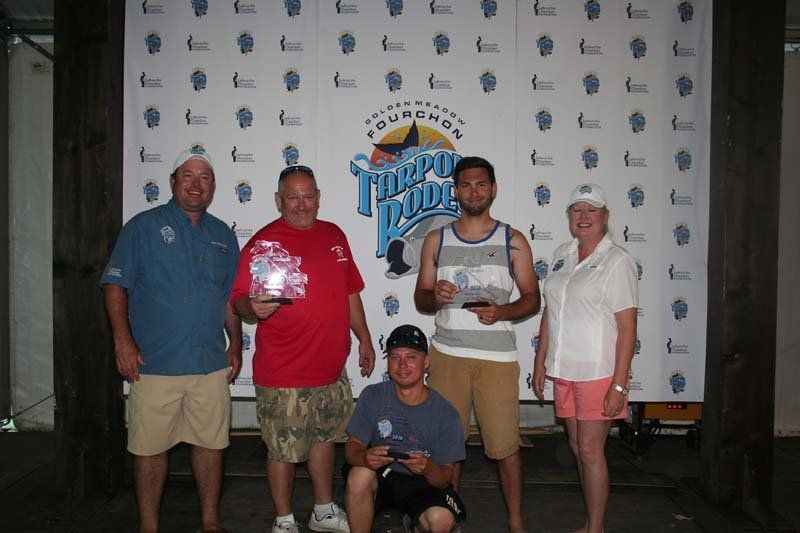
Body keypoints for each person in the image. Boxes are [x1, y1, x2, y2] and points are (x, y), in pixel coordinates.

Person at [101, 149, 241, 533]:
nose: (196, 184)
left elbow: (229, 296)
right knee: (149, 449)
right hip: (154, 362)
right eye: (188, 175)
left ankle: (210, 521)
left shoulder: (222, 235)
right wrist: (122, 342)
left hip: (209, 362)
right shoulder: (142, 227)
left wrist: (236, 344)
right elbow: (115, 285)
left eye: (205, 177)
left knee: (211, 445)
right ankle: (149, 526)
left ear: (213, 187)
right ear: (173, 181)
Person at [230, 165, 376, 533]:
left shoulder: (335, 235)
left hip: (331, 369)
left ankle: (323, 510)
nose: (301, 204)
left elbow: (350, 292)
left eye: (308, 196)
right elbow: (237, 301)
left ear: (318, 197)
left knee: (325, 439)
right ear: (279, 200)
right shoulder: (262, 244)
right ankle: (283, 520)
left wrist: (365, 337)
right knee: (283, 449)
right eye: (292, 197)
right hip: (284, 374)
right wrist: (253, 308)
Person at [414, 156, 540, 533]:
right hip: (447, 355)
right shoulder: (437, 238)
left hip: (497, 359)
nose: (473, 191)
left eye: (481, 184)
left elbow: (532, 298)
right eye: (466, 185)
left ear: (493, 188)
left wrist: (501, 313)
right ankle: (445, 520)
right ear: (456, 191)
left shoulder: (512, 239)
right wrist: (434, 296)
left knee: (505, 447)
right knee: (446, 448)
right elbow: (420, 298)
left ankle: (516, 524)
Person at [533, 183, 638, 533]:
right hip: (564, 370)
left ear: (605, 216)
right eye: (577, 209)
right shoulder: (563, 253)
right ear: (568, 217)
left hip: (598, 373)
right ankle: (591, 522)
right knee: (578, 447)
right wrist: (540, 361)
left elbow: (627, 328)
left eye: (591, 210)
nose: (584, 216)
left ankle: (596, 528)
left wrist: (619, 385)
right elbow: (551, 311)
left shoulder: (617, 260)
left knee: (591, 451)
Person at [345, 325, 466, 533]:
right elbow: (352, 448)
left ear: (426, 362)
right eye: (394, 357)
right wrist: (365, 458)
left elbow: (445, 477)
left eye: (411, 357)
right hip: (382, 476)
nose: (402, 365)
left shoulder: (446, 413)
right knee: (359, 475)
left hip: (422, 482)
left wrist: (428, 467)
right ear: (388, 362)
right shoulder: (372, 395)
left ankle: (416, 521)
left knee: (441, 521)